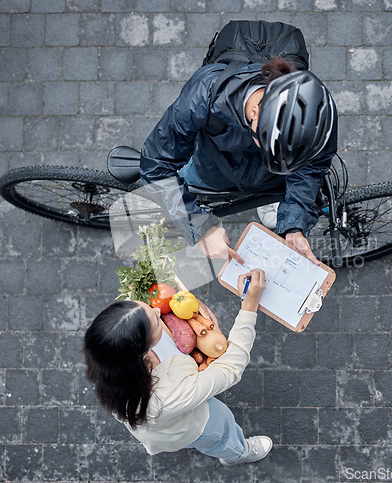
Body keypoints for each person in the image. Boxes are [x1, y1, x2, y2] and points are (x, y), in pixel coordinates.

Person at [140, 57, 337, 266]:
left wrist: (294, 225)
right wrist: (200, 228)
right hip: (211, 168)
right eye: (266, 146)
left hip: (266, 178)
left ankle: (269, 201)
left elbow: (311, 168)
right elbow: (156, 165)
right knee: (183, 181)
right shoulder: (203, 94)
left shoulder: (318, 117)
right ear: (255, 112)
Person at [83, 269, 272, 465]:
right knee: (222, 435)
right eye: (155, 320)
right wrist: (249, 307)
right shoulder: (166, 396)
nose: (157, 310)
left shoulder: (108, 355)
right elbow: (231, 368)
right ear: (141, 350)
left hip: (162, 419)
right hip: (198, 424)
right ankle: (238, 453)